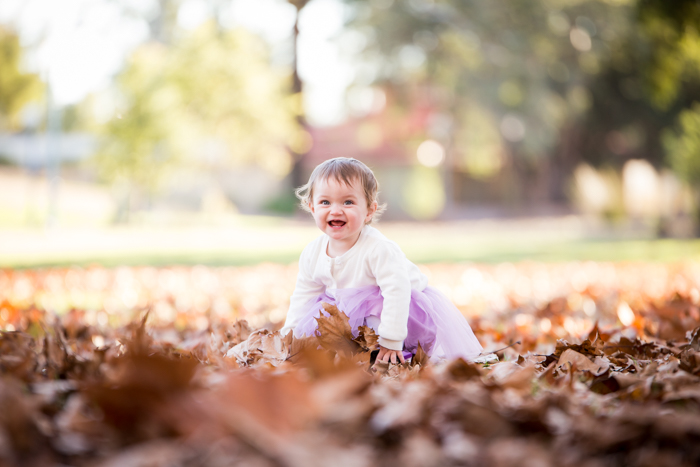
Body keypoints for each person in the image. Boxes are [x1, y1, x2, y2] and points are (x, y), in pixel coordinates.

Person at [280, 157, 483, 364]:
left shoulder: (378, 248)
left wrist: (391, 338)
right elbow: (304, 296)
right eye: (325, 202)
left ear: (369, 210)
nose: (335, 210)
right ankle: (352, 352)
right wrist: (289, 335)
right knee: (323, 319)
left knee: (375, 309)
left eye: (348, 202)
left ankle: (388, 352)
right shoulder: (312, 253)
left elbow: (397, 291)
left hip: (400, 307)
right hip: (352, 311)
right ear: (312, 207)